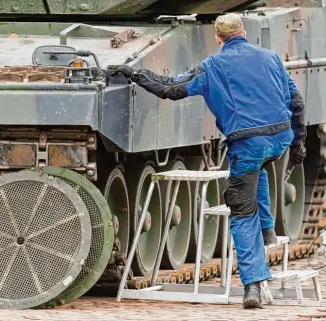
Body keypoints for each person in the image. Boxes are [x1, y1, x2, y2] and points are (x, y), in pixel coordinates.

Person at [108, 13, 307, 308]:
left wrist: (135, 74)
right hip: (280, 140)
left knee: (240, 209)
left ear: (218, 38)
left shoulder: (213, 66)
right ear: (243, 32)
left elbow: (170, 89)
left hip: (249, 143)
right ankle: (267, 229)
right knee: (258, 169)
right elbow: (297, 103)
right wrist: (299, 142)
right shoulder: (271, 57)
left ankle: (252, 284)